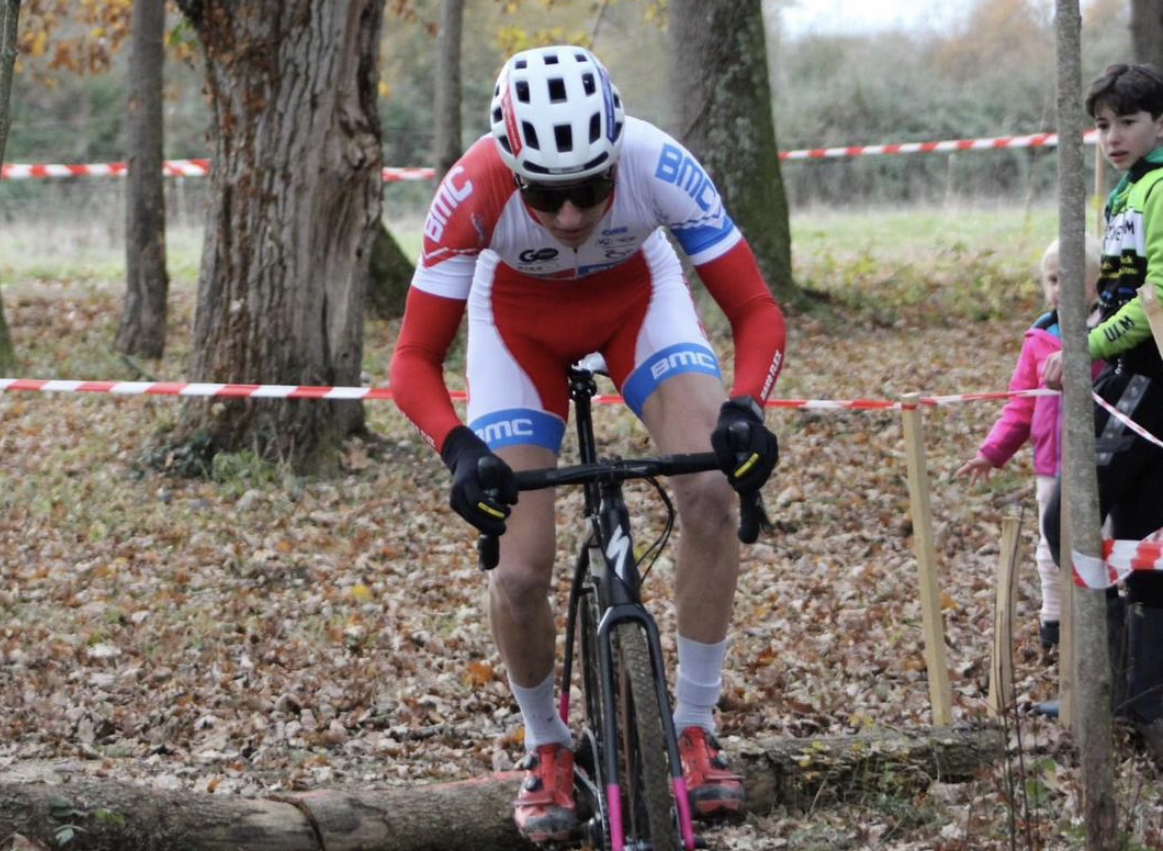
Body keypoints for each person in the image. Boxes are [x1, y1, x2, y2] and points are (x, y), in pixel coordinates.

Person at [389, 45, 786, 842]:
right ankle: (546, 743)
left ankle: (694, 725)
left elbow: (756, 312)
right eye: (545, 195)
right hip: (518, 331)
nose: (570, 216)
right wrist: (459, 448)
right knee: (520, 565)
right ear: (511, 168)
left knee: (709, 492)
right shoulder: (471, 188)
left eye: (590, 190)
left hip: (637, 305)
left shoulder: (657, 162)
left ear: (616, 158)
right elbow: (411, 361)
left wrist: (746, 406)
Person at [1042, 62, 1163, 759]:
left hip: (1150, 377)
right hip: (1120, 373)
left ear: (1156, 124)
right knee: (1138, 532)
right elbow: (1114, 290)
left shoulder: (1158, 187)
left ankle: (1124, 689)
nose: (1111, 136)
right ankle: (1132, 700)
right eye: (1102, 124)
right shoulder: (1120, 191)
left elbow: (1153, 303)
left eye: (1126, 121)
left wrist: (1086, 344)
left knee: (1071, 514)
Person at [956, 236, 1100, 654]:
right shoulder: (1038, 339)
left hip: (1097, 463)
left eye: (1072, 279)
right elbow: (1020, 406)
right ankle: (1053, 623)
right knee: (1048, 546)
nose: (1060, 289)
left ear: (1096, 284)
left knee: (1097, 542)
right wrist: (991, 452)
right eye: (1053, 280)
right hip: (1050, 465)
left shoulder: (1109, 335)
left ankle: (1104, 623)